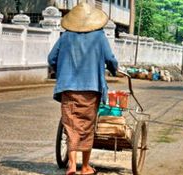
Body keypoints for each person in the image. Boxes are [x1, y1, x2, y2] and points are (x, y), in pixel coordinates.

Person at [48, 2, 118, 175]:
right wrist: (114, 70)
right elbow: (111, 59)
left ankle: (71, 165)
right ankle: (85, 167)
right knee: (86, 126)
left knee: (70, 125)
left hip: (68, 88)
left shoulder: (65, 36)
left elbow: (51, 58)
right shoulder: (100, 37)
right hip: (91, 89)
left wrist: (62, 70)